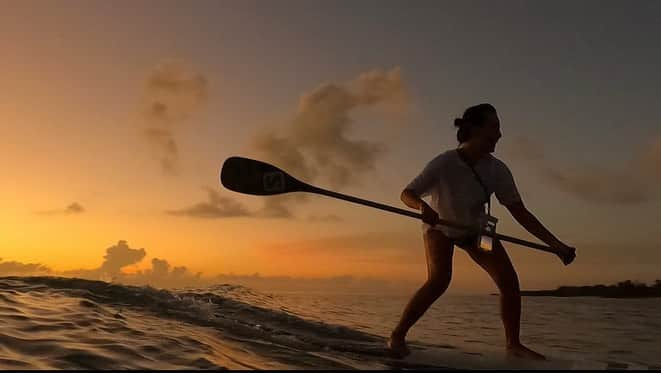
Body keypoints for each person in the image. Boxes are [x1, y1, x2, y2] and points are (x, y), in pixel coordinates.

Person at [387, 103, 576, 360]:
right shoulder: (444, 163)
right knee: (440, 279)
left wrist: (556, 244)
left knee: (509, 282)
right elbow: (406, 194)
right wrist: (421, 206)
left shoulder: (498, 170)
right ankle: (397, 336)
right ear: (475, 129)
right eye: (494, 127)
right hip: (440, 227)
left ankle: (513, 345)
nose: (499, 134)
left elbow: (520, 212)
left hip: (479, 228)